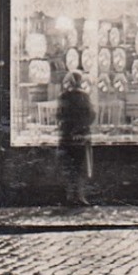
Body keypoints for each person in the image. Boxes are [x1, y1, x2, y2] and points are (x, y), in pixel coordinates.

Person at [57, 71, 94, 206]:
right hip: (81, 136)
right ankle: (80, 195)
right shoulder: (85, 97)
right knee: (80, 167)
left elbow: (59, 115)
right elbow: (91, 116)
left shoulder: (63, 96)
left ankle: (69, 196)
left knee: (69, 167)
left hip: (66, 136)